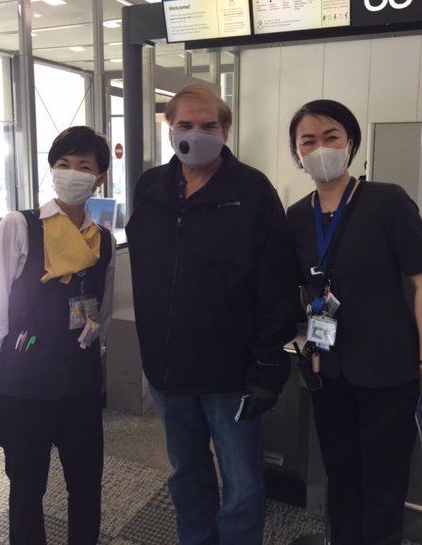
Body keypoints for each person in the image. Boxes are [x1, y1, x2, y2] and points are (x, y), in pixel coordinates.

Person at [126, 84, 298, 545]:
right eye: (185, 125)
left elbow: (277, 283)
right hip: (169, 371)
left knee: (241, 486)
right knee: (187, 476)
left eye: (208, 126)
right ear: (169, 129)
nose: (195, 134)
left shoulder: (252, 190)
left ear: (225, 131)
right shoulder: (151, 187)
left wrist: (268, 366)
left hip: (232, 374)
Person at [286, 99, 422, 545]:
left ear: (350, 142)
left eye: (331, 137)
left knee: (383, 481)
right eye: (308, 141)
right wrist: (306, 347)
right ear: (298, 153)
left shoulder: (388, 201)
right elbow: (302, 292)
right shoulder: (298, 216)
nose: (321, 148)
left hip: (388, 369)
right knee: (341, 473)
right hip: (328, 370)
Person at [0, 126, 115, 545]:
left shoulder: (102, 240)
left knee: (87, 487)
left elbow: (102, 311)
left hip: (83, 386)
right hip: (24, 385)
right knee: (27, 491)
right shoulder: (21, 226)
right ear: (52, 170)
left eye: (84, 166)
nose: (72, 173)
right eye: (63, 165)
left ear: (99, 177)